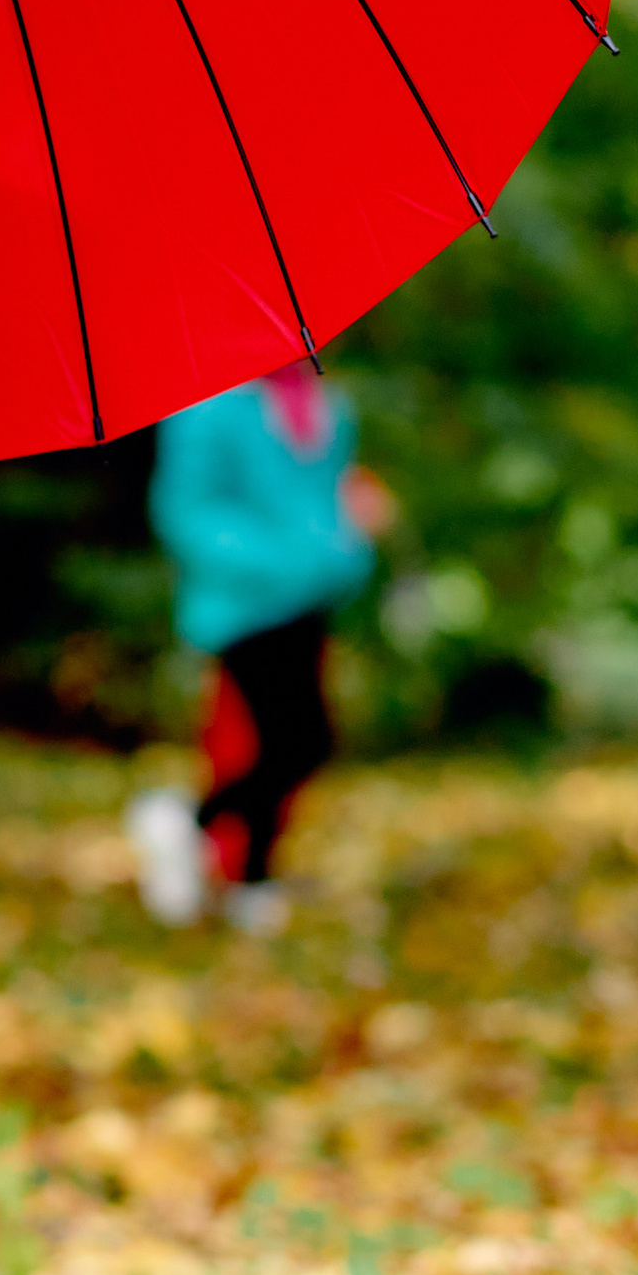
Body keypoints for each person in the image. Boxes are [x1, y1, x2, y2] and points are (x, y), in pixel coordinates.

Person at [130, 358, 391, 934]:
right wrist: (283, 561)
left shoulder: (329, 407)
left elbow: (329, 501)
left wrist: (349, 544)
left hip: (312, 598)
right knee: (286, 739)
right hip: (241, 604)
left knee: (297, 742)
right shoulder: (210, 408)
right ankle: (190, 824)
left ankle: (251, 876)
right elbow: (186, 511)